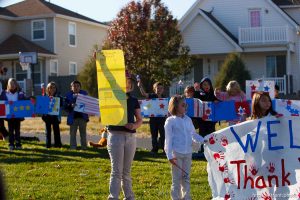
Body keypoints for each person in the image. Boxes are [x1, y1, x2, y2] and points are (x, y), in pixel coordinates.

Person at [107, 72, 143, 200]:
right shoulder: (112, 97)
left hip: (130, 138)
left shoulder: (134, 100)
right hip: (115, 136)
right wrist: (100, 61)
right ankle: (113, 197)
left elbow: (139, 119)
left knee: (126, 172)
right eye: (124, 81)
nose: (127, 84)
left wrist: (133, 126)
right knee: (116, 171)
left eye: (129, 82)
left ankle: (129, 197)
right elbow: (107, 78)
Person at [164, 95, 204, 200]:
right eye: (183, 105)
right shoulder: (170, 121)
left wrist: (203, 140)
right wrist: (169, 155)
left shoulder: (188, 119)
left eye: (186, 104)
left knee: (186, 177)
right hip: (176, 154)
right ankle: (176, 197)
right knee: (176, 179)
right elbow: (168, 140)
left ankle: (186, 197)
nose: (185, 107)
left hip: (188, 153)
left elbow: (193, 134)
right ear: (175, 106)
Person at [137, 80, 166, 154]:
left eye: (161, 88)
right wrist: (140, 86)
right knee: (154, 135)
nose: (159, 90)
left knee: (163, 134)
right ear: (154, 89)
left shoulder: (165, 98)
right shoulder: (152, 96)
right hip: (153, 120)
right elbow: (143, 94)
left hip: (162, 120)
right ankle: (154, 149)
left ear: (163, 89)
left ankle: (163, 149)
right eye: (157, 88)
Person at [0, 78, 26, 150]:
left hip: (17, 115)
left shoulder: (20, 93)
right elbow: (1, 102)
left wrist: (31, 99)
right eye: (10, 83)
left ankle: (18, 144)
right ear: (8, 85)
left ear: (16, 84)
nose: (12, 85)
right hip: (9, 116)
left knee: (17, 130)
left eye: (14, 83)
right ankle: (11, 144)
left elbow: (25, 101)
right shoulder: (4, 93)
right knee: (11, 131)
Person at [64, 80, 89, 150]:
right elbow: (65, 107)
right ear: (71, 88)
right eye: (74, 86)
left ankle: (84, 147)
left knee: (83, 134)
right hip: (73, 118)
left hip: (82, 118)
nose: (76, 87)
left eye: (78, 86)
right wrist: (70, 105)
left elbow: (88, 104)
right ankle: (73, 147)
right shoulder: (68, 95)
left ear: (80, 87)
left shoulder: (84, 94)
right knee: (72, 134)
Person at [42, 82, 62, 148]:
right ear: (48, 89)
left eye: (54, 87)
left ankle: (58, 144)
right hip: (47, 116)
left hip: (55, 116)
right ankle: (48, 145)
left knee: (56, 131)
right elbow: (41, 106)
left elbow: (61, 105)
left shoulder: (58, 97)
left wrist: (60, 100)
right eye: (50, 87)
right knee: (48, 131)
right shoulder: (44, 97)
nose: (52, 89)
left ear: (56, 89)